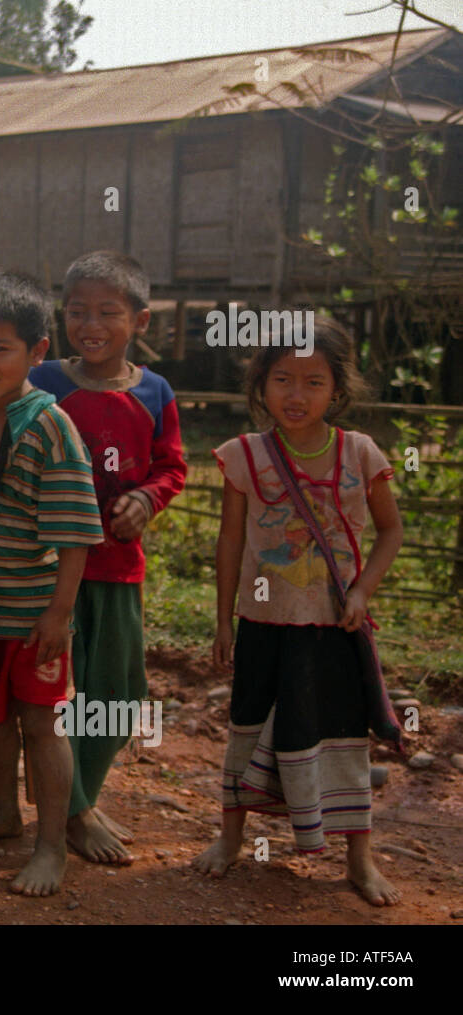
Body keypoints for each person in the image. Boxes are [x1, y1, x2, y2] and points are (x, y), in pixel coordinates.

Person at [192, 316, 403, 907]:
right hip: (263, 623)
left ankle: (359, 858)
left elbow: (391, 531)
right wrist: (222, 620)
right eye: (282, 378)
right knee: (248, 725)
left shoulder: (359, 453)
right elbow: (230, 541)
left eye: (313, 381)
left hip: (336, 625)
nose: (296, 394)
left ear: (337, 390)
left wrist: (361, 592)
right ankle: (230, 838)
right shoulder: (245, 456)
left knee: (342, 735)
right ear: (260, 386)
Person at [0, 269, 103, 896]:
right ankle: (3, 812)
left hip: (33, 610)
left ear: (38, 352)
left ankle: (51, 846)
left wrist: (59, 613)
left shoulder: (49, 426)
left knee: (42, 725)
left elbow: (74, 534)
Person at [30, 251, 187, 864]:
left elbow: (173, 466)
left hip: (116, 569)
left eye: (107, 312)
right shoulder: (43, 382)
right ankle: (69, 812)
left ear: (140, 321)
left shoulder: (154, 392)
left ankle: (77, 799)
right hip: (43, 568)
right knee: (39, 693)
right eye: (77, 311)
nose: (90, 324)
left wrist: (148, 498)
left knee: (117, 695)